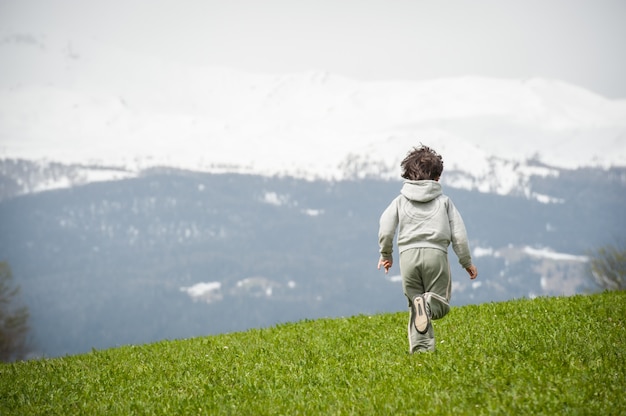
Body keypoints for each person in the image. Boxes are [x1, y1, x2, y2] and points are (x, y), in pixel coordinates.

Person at [377, 145, 478, 354]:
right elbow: (459, 235)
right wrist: (466, 262)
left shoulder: (399, 201)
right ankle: (428, 305)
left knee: (415, 306)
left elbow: (386, 229)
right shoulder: (444, 202)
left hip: (407, 258)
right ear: (437, 178)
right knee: (438, 303)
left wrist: (386, 254)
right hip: (435, 256)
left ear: (407, 175)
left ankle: (421, 353)